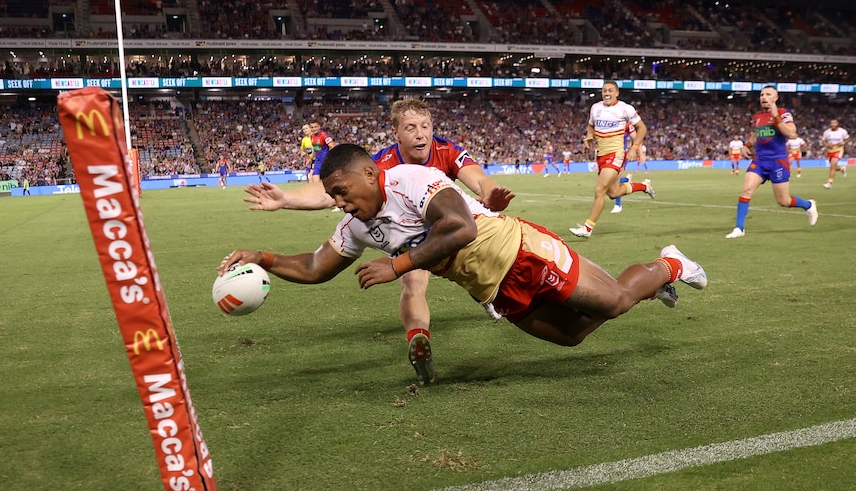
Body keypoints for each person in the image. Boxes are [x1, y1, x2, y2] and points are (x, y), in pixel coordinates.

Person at [219, 144, 705, 384]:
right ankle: (650, 282)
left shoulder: (412, 179)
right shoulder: (359, 226)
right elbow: (315, 266)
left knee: (616, 301)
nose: (341, 204)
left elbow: (461, 228)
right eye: (333, 198)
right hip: (492, 290)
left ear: (371, 173)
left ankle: (669, 265)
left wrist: (399, 265)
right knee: (573, 335)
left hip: (521, 253)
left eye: (342, 192)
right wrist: (261, 256)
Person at [236, 98, 514, 384]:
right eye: (410, 128)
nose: (420, 134)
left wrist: (492, 193)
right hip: (412, 236)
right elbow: (332, 191)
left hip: (449, 225)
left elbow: (480, 180)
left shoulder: (446, 150)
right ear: (396, 134)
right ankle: (418, 337)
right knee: (413, 280)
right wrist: (287, 200)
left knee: (473, 258)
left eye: (425, 126)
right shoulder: (379, 166)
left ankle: (486, 293)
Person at [725, 85, 818, 239]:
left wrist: (776, 117)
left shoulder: (783, 113)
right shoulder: (757, 117)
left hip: (778, 162)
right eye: (762, 94)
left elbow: (792, 134)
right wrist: (746, 145)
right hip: (760, 161)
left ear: (775, 98)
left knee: (784, 201)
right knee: (746, 190)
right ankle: (739, 228)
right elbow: (756, 136)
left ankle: (808, 205)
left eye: (768, 94)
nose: (764, 97)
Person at [570, 80, 654, 238]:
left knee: (599, 189)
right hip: (600, 155)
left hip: (616, 155)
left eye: (610, 90)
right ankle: (643, 186)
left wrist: (635, 148)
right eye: (604, 91)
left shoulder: (625, 109)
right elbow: (591, 125)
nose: (606, 93)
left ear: (617, 93)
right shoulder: (596, 108)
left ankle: (587, 228)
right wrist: (589, 136)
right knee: (614, 193)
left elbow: (642, 128)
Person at [308, 117, 337, 184]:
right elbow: (315, 149)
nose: (313, 129)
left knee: (327, 181)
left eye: (315, 127)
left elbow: (332, 145)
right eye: (312, 127)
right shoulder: (312, 136)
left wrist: (330, 157)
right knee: (315, 180)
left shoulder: (323, 135)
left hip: (325, 160)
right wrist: (311, 158)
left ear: (319, 127)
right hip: (318, 161)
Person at [821, 119, 848, 189]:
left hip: (839, 150)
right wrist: (827, 145)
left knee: (832, 165)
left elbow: (847, 139)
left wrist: (843, 142)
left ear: (837, 124)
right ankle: (842, 168)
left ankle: (829, 183)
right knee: (833, 167)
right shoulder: (827, 132)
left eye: (834, 123)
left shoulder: (842, 131)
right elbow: (823, 141)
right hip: (830, 151)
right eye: (831, 123)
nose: (832, 124)